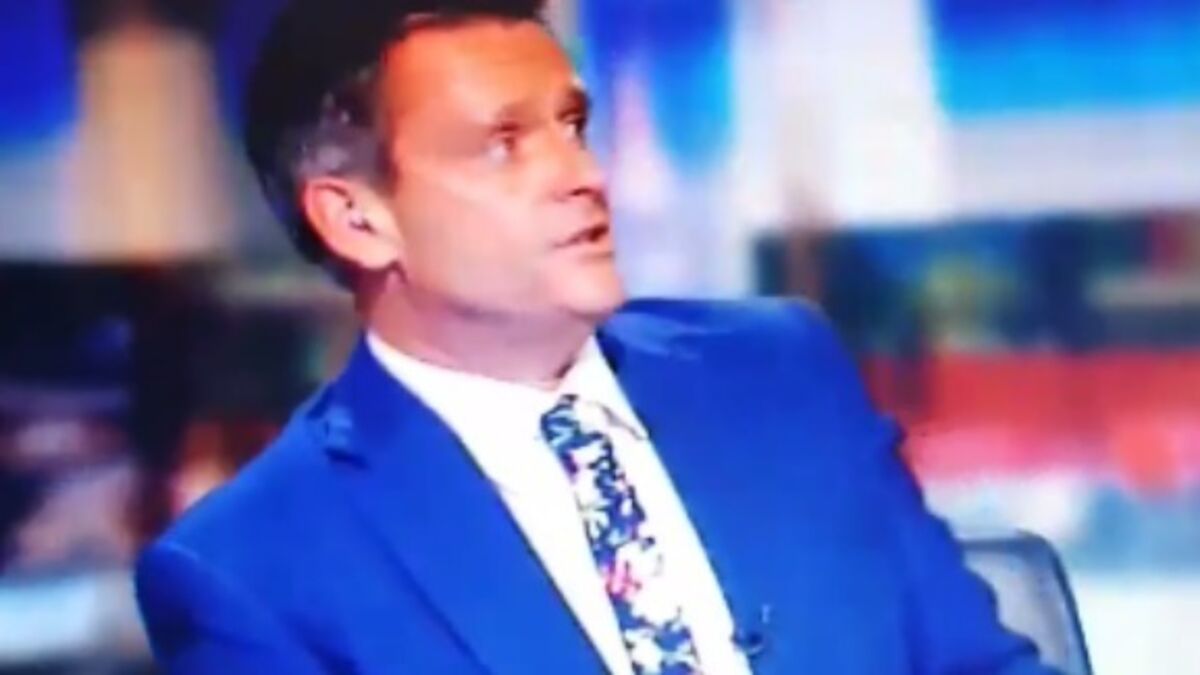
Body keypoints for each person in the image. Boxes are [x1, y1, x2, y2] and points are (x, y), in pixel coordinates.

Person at [134, 1, 1061, 673]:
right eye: (503, 144)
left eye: (572, 125)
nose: (580, 174)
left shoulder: (779, 370)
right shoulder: (252, 568)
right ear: (357, 219)